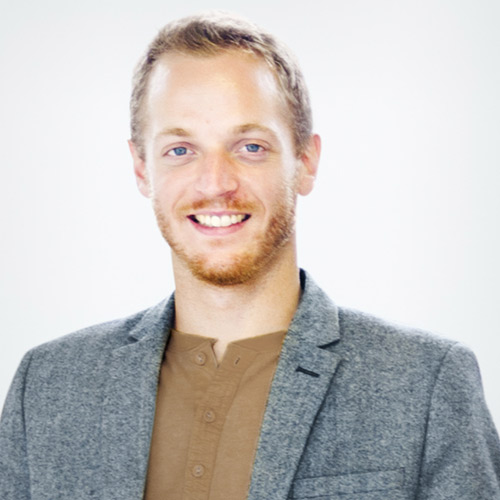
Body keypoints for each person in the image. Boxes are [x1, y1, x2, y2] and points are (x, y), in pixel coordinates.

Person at [1, 12, 499, 500]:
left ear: (306, 162)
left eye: (251, 147)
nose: (215, 183)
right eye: (180, 150)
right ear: (141, 169)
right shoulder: (47, 387)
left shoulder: (425, 383)